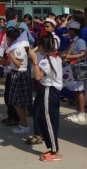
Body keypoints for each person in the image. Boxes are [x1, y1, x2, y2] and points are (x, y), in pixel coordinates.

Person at [29, 34, 64, 162]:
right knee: (46, 119)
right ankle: (52, 147)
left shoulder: (46, 60)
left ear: (42, 47)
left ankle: (55, 151)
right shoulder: (56, 58)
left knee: (48, 121)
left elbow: (38, 76)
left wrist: (34, 60)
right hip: (52, 91)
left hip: (49, 90)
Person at [5, 27, 33, 134]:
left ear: (12, 38)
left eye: (7, 38)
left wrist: (10, 54)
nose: (6, 40)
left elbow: (18, 64)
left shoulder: (19, 48)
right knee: (15, 102)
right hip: (15, 73)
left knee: (18, 102)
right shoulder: (15, 47)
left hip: (20, 74)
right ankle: (22, 124)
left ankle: (25, 125)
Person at [61, 20, 87, 123]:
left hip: (79, 67)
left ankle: (82, 113)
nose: (68, 32)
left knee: (79, 91)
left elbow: (82, 54)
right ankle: (78, 112)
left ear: (73, 30)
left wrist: (68, 56)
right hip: (72, 67)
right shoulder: (73, 41)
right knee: (75, 91)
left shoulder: (80, 41)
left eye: (69, 30)